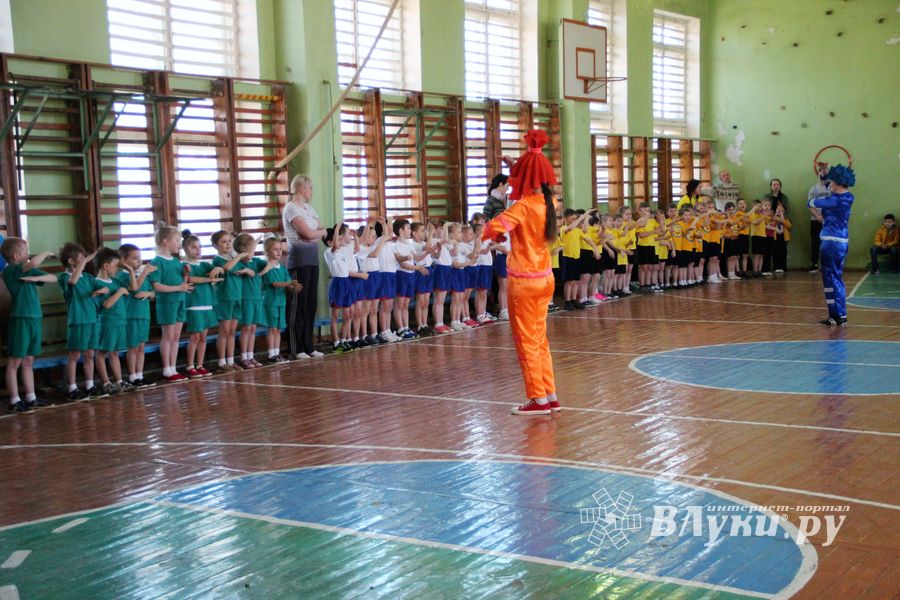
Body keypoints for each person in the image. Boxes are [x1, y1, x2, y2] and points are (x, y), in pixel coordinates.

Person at [481, 129, 560, 416]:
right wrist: (516, 164)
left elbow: (492, 226)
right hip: (545, 279)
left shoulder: (524, 207)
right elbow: (533, 180)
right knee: (540, 339)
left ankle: (537, 399)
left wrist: (491, 233)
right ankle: (549, 395)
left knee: (526, 341)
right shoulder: (549, 203)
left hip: (524, 282)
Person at [2, 239, 56, 412]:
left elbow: (53, 278)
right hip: (21, 318)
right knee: (14, 361)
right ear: (16, 256)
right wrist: (47, 253)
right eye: (25, 252)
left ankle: (31, 397)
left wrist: (36, 277)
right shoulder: (11, 271)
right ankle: (14, 399)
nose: (28, 255)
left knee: (28, 360)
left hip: (34, 318)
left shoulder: (28, 271)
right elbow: (32, 262)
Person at [283, 174, 327, 359]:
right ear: (302, 188)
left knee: (310, 304)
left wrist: (317, 233)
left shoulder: (308, 208)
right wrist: (314, 234)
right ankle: (297, 347)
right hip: (298, 261)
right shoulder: (291, 208)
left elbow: (321, 230)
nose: (312, 192)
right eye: (310, 188)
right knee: (298, 305)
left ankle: (309, 345)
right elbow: (309, 233)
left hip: (312, 260)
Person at [807, 165, 855, 326]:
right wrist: (825, 177)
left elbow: (811, 202)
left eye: (832, 181)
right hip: (837, 241)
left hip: (832, 242)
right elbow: (827, 186)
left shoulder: (835, 200)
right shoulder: (847, 197)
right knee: (829, 277)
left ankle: (840, 314)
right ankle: (834, 314)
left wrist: (815, 197)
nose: (830, 183)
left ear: (839, 183)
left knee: (834, 277)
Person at [57, 244, 106, 401]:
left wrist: (102, 290)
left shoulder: (89, 278)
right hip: (78, 321)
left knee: (90, 353)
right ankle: (72, 388)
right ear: (71, 261)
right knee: (75, 355)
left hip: (92, 320)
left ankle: (90, 385)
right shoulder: (64, 277)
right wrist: (84, 263)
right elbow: (72, 281)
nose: (85, 260)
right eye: (81, 258)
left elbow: (105, 287)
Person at [148, 223, 194, 382]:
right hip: (167, 303)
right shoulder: (156, 261)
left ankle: (173, 367)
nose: (179, 244)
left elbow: (184, 283)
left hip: (179, 300)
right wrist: (178, 287)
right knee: (167, 337)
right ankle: (166, 368)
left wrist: (185, 275)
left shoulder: (176, 261)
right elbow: (157, 286)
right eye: (177, 240)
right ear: (166, 241)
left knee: (176, 337)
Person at [181, 231, 223, 377]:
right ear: (186, 249)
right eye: (194, 247)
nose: (198, 250)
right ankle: (190, 365)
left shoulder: (205, 264)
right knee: (195, 337)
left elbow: (221, 270)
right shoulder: (185, 265)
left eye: (199, 247)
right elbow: (190, 279)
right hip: (194, 305)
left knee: (203, 337)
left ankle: (200, 364)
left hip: (207, 304)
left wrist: (218, 268)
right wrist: (208, 280)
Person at [118, 244, 156, 388]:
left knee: (141, 347)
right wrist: (145, 273)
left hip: (143, 314)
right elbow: (135, 289)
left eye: (139, 258)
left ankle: (140, 374)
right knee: (133, 347)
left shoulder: (140, 274)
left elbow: (152, 292)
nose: (139, 261)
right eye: (134, 258)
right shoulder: (123, 275)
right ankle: (132, 376)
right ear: (124, 260)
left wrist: (149, 293)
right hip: (131, 315)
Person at [93, 247, 131, 395]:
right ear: (106, 266)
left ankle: (119, 381)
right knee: (102, 352)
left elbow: (133, 287)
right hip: (106, 322)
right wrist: (120, 292)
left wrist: (130, 269)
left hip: (118, 321)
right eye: (116, 265)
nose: (117, 268)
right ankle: (106, 382)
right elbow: (106, 304)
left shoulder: (115, 280)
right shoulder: (96, 282)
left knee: (114, 353)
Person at [211, 230, 249, 372]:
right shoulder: (218, 259)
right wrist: (238, 256)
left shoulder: (233, 259)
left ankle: (231, 360)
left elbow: (245, 265)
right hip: (225, 299)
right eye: (224, 241)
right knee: (224, 331)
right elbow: (226, 268)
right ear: (215, 245)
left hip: (236, 298)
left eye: (229, 241)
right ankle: (221, 362)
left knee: (232, 331)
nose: (228, 244)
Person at [261, 236, 301, 361]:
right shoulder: (268, 267)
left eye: (280, 249)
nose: (279, 252)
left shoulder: (282, 268)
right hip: (271, 302)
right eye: (275, 249)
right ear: (267, 252)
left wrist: (294, 287)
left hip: (281, 302)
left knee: (278, 329)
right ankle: (271, 354)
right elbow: (276, 284)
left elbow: (288, 283)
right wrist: (290, 284)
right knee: (272, 328)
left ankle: (277, 353)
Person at [807, 162, 830, 273]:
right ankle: (815, 264)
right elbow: (810, 205)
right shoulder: (813, 189)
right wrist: (818, 216)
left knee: (828, 243)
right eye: (820, 171)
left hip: (829, 220)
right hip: (815, 220)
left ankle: (827, 264)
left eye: (824, 171)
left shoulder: (831, 188)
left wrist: (826, 217)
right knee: (815, 243)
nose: (822, 174)